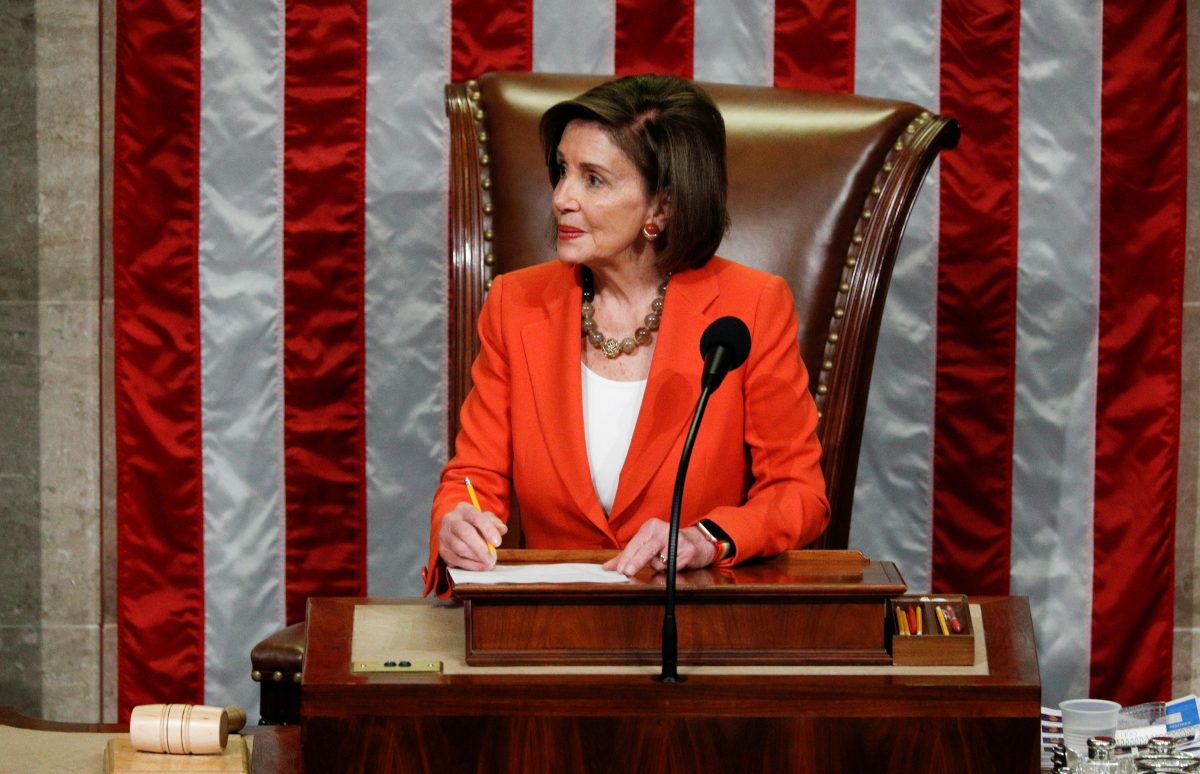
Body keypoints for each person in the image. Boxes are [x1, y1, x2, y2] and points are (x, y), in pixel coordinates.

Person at [423, 74, 828, 597]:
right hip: (548, 629)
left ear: (661, 205)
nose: (562, 197)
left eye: (593, 179)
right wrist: (455, 523)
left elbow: (799, 492)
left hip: (690, 625)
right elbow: (473, 477)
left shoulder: (751, 306)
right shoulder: (514, 304)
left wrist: (707, 539)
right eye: (562, 171)